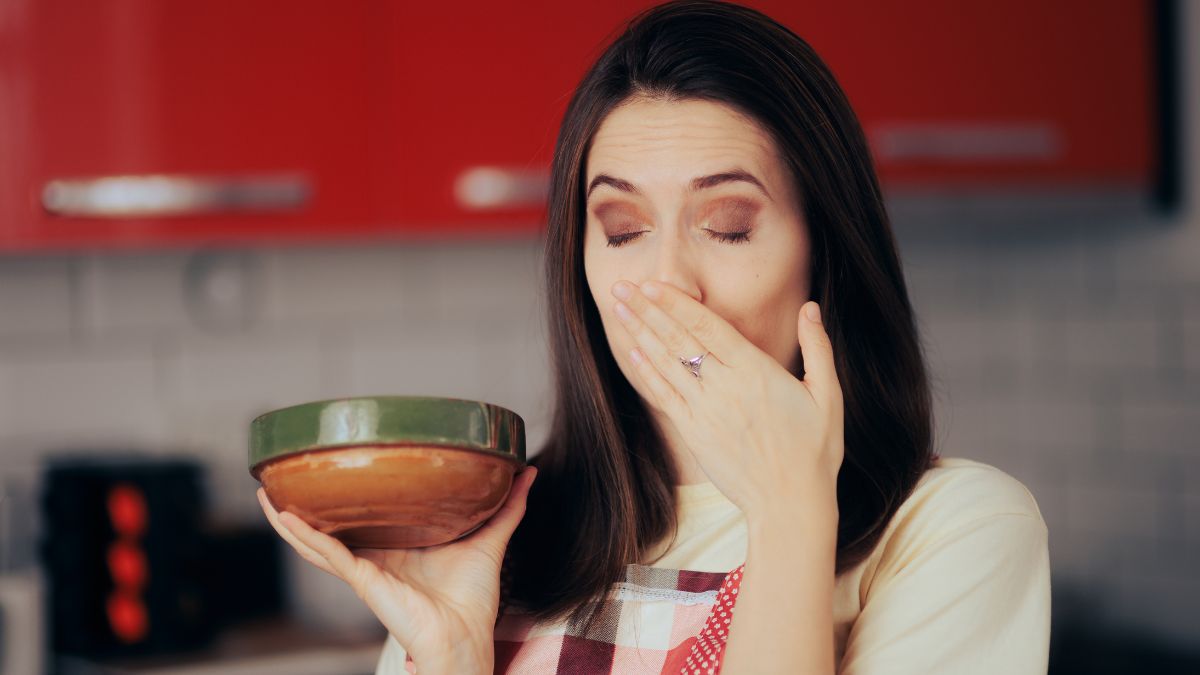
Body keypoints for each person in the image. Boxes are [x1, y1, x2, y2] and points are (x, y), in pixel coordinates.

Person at [258, 1, 1051, 673]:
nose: (667, 282)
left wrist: (789, 512)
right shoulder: (491, 548)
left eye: (729, 226)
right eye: (624, 227)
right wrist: (452, 656)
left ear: (825, 252)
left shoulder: (957, 531)